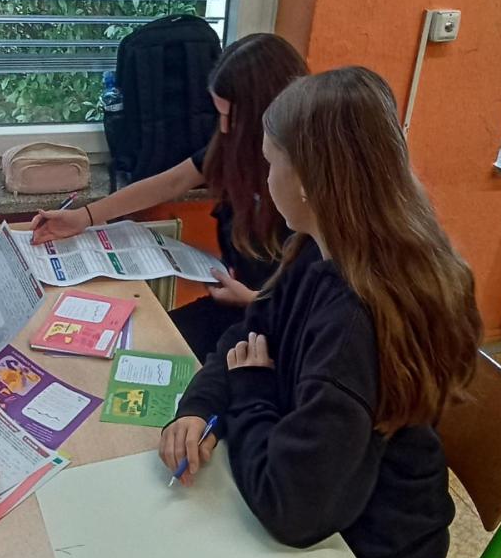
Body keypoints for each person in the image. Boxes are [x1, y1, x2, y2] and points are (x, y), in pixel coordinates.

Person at [157, 67, 482, 558]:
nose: (264, 180)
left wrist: (251, 391)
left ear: (309, 178)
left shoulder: (355, 320)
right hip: (323, 490)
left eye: (271, 163)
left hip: (366, 554)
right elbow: (248, 333)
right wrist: (201, 406)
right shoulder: (319, 248)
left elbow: (292, 512)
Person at [28, 33, 309, 357]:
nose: (224, 128)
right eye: (219, 114)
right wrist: (84, 217)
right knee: (133, 344)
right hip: (232, 309)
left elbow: (320, 300)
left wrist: (252, 299)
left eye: (232, 117)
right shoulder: (234, 142)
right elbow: (171, 182)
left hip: (275, 328)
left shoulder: (305, 185)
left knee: (160, 359)